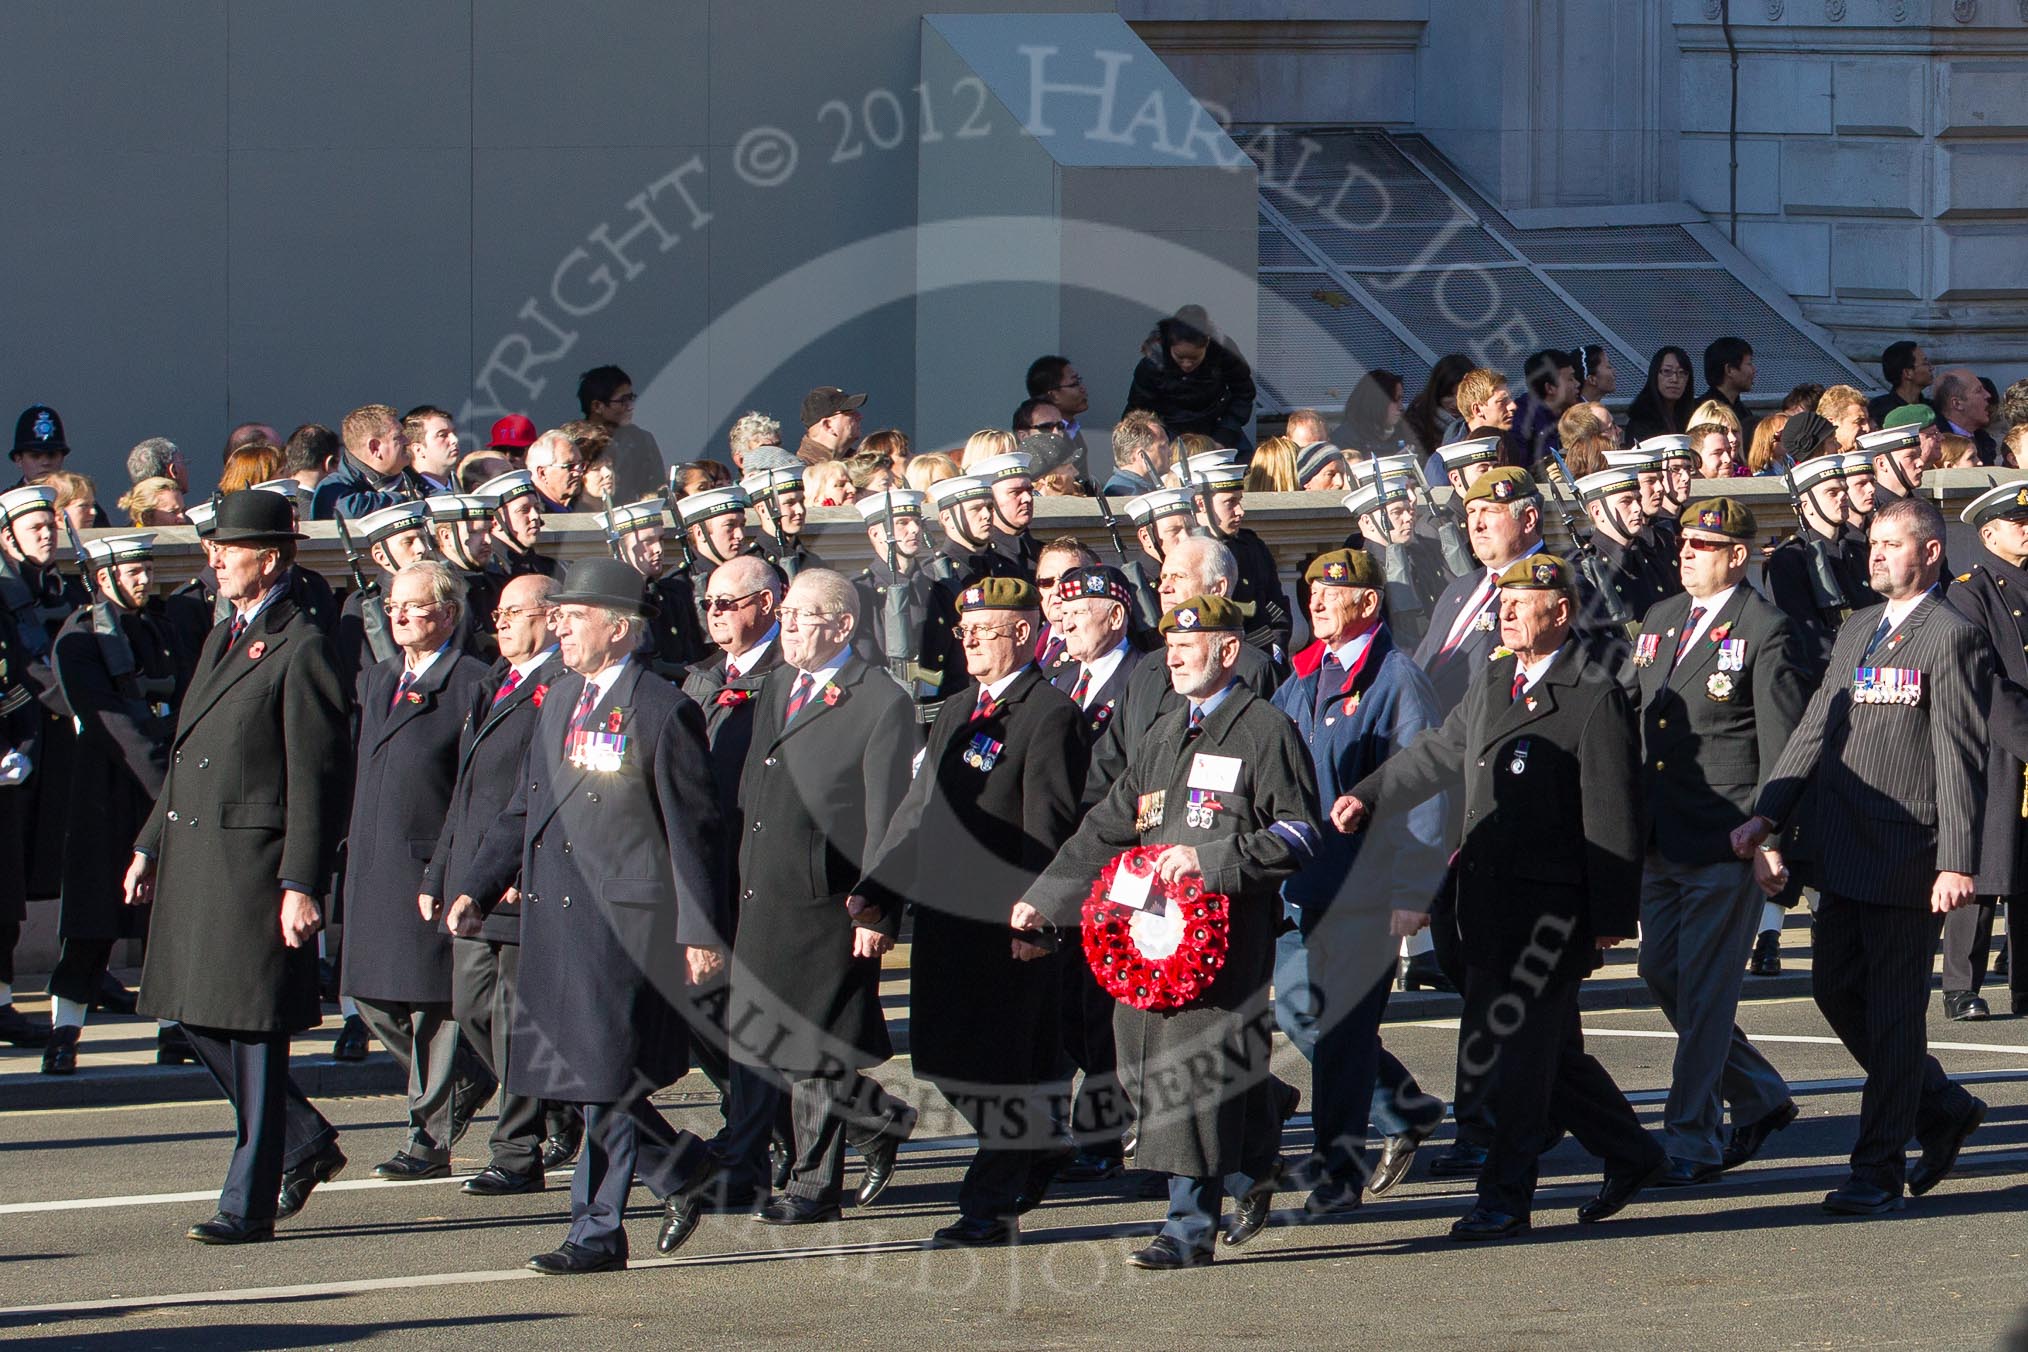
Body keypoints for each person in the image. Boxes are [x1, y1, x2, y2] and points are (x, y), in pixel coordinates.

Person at [1338, 553, 1666, 1240]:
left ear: (1561, 612)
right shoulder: (1493, 681)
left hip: (1551, 912)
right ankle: (1634, 1152)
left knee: (1517, 1060)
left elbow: (1613, 812)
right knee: (1542, 1053)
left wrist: (1609, 916)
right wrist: (1369, 796)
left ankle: (1505, 1196)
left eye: (1521, 601)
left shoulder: (1592, 695)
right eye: (1503, 602)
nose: (1505, 612)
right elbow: (1437, 751)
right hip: (1487, 903)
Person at [1015, 593, 1320, 1267]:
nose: (1174, 656)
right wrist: (1045, 897)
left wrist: (1211, 862)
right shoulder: (1162, 732)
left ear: (1229, 650)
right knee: (1140, 1069)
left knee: (1192, 1075)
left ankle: (1186, 1228)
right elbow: (1107, 826)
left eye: (1189, 644)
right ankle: (1259, 1127)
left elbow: (1300, 834)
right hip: (1148, 939)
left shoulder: (1263, 729)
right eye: (1170, 646)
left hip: (1225, 941)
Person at [447, 556, 726, 1273]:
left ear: (618, 627)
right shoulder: (559, 698)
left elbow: (690, 831)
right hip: (553, 915)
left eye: (573, 617)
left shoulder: (663, 710)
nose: (559, 628)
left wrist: (698, 928)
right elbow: (524, 807)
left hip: (621, 925)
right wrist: (476, 886)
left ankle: (596, 1232)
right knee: (579, 1076)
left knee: (600, 1075)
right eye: (558, 617)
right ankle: (682, 1174)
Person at [1734, 495, 1990, 1214]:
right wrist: (1767, 816)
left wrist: (1958, 860)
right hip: (1843, 850)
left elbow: (1959, 756)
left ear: (1930, 553)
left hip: (1911, 856)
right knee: (1835, 992)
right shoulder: (1856, 629)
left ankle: (1876, 1169)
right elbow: (1816, 726)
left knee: (1894, 1016)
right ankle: (1939, 1106)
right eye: (1873, 543)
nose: (1876, 554)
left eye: (1892, 544)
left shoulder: (1952, 635)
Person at [123, 490, 351, 1243]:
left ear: (272, 557)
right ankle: (303, 1138)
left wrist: (300, 882)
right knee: (191, 1007)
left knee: (253, 1030)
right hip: (198, 854)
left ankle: (248, 1202)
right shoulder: (227, 631)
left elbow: (315, 776)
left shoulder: (301, 642)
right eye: (213, 547)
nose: (214, 559)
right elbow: (190, 753)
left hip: (254, 864)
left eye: (230, 547)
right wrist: (150, 841)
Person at [853, 577, 1089, 1249]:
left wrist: (1042, 917)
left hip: (1006, 926)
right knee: (939, 1058)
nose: (971, 644)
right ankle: (1038, 1145)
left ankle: (987, 1206)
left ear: (1023, 633)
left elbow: (1050, 828)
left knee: (1001, 1066)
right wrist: (878, 892)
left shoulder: (1049, 714)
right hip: (946, 919)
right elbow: (917, 814)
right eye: (965, 633)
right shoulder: (956, 710)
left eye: (985, 632)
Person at [701, 569, 918, 1224]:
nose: (787, 624)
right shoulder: (777, 687)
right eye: (786, 614)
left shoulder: (880, 701)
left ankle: (813, 1184)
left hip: (833, 901)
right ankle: (874, 1121)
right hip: (763, 888)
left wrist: (880, 904)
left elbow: (893, 817)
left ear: (842, 626)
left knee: (816, 1042)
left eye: (802, 615)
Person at [1632, 499, 1808, 1183]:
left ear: (1737, 555)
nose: (1687, 555)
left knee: (1705, 991)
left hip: (1725, 836)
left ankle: (1691, 1137)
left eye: (1704, 547)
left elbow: (1782, 741)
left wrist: (1771, 833)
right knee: (1661, 973)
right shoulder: (1660, 618)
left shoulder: (1765, 628)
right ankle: (1759, 1093)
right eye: (1684, 544)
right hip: (1660, 832)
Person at [1269, 551, 1448, 1213]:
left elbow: (1426, 783)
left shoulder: (1395, 678)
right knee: (1299, 1010)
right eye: (1311, 591)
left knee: (1341, 1036)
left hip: (1364, 889)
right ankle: (1404, 1106)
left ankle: (1336, 1176)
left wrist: (1414, 888)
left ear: (1369, 603)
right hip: (1303, 886)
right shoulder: (1306, 675)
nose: (1315, 602)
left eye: (1331, 592)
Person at [340, 560, 492, 1181]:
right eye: (393, 604)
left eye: (413, 605)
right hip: (373, 864)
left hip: (429, 860)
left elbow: (471, 786)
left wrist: (456, 869)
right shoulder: (379, 679)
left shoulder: (472, 683)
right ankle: (470, 1076)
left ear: (447, 614)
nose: (398, 614)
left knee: (434, 1007)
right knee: (369, 994)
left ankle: (428, 1134)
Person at [422, 572, 573, 1196]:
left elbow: (540, 796)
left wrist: (513, 870)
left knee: (515, 1017)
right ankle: (559, 1103)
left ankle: (516, 1150)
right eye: (498, 612)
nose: (501, 622)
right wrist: (441, 871)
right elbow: (464, 794)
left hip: (517, 880)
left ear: (549, 616)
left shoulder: (561, 684)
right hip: (475, 875)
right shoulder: (494, 682)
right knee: (474, 1007)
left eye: (515, 611)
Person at [39, 533, 202, 1072]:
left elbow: (183, 698)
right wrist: (166, 782)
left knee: (166, 917)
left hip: (159, 786)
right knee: (91, 921)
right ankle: (65, 1031)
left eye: (146, 567)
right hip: (105, 792)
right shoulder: (80, 638)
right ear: (102, 577)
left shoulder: (158, 627)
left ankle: (172, 1027)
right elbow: (111, 721)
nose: (143, 577)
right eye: (131, 569)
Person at [1046, 564, 1149, 1181]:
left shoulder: (1143, 678)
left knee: (1102, 1006)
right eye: (1059, 613)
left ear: (1114, 615)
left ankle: (1101, 1135)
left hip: (1118, 865)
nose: (1064, 623)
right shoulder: (1060, 679)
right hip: (1066, 864)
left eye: (1076, 612)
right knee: (1067, 1008)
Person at [1936, 483, 2028, 1020]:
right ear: (1988, 534)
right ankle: (1960, 985)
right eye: (2019, 522)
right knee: (1983, 867)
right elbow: (1982, 678)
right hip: (1997, 746)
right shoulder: (1971, 592)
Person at [1179, 452, 1293, 665]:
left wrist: (1275, 649)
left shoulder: (1251, 547)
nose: (1240, 511)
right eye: (1230, 502)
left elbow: (1276, 608)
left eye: (1239, 500)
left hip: (1259, 658)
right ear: (1200, 504)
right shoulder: (1182, 554)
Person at [852, 489, 960, 707]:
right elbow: (864, 663)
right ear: (875, 533)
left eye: (917, 522)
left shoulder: (939, 591)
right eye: (902, 522)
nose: (915, 529)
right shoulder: (862, 593)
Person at [1123, 304, 1257, 456]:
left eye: (1194, 358)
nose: (1187, 364)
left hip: (1217, 425)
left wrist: (1225, 435)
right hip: (1170, 430)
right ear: (1169, 345)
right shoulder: (1152, 363)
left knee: (1245, 465)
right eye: (1180, 357)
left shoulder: (1224, 353)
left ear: (1207, 343)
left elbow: (1243, 393)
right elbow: (1138, 408)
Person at [1343, 476, 1448, 650]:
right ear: (1367, 522)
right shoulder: (1361, 571)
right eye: (1397, 512)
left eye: (1408, 510)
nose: (1408, 517)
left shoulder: (1418, 556)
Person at [600, 498, 704, 672]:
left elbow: (693, 653)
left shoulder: (672, 595)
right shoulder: (609, 604)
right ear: (620, 547)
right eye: (648, 541)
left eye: (660, 539)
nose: (659, 549)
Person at [1573, 466, 1676, 620]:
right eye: (1626, 502)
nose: (1637, 508)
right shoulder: (1583, 569)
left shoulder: (1651, 555)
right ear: (1597, 512)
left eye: (1638, 500)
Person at [312, 404, 424, 521]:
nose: (407, 441)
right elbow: (349, 512)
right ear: (374, 447)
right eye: (398, 437)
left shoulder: (414, 480)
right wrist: (404, 499)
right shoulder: (333, 488)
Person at [426, 494, 504, 658]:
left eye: (489, 530)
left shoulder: (495, 583)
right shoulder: (432, 589)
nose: (488, 540)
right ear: (446, 536)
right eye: (475, 532)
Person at [577, 365, 665, 498]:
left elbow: (656, 489)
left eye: (631, 398)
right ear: (597, 406)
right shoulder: (575, 444)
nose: (630, 406)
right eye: (623, 400)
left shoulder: (643, 440)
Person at [742, 461, 820, 578]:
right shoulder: (750, 564)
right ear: (762, 509)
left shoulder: (813, 561)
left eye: (801, 502)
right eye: (789, 503)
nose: (800, 510)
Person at [971, 450, 1042, 579]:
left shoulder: (1043, 553)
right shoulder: (981, 561)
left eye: (1029, 491)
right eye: (1016, 492)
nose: (1027, 498)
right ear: (990, 500)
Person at [1508, 348, 1579, 470]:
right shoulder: (1521, 421)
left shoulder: (1574, 414)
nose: (1577, 384)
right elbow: (1518, 472)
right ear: (1550, 388)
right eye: (1570, 379)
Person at [481, 469, 556, 579]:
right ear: (495, 521)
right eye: (524, 510)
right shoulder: (488, 571)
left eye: (537, 508)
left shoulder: (548, 566)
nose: (535, 516)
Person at [1403, 354, 1476, 455]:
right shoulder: (1418, 419)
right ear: (1437, 391)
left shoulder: (1482, 418)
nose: (1456, 403)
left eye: (1462, 396)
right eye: (1448, 395)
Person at [1626, 347, 1698, 445]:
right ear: (1655, 375)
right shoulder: (1640, 419)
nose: (1675, 379)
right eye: (1667, 371)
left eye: (1682, 373)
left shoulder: (1695, 416)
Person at [1027, 354, 1092, 460]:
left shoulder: (1072, 429)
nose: (1083, 388)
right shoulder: (1041, 435)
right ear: (1053, 395)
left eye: (1079, 381)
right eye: (1074, 383)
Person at [1699, 338, 1758, 447]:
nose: (1754, 370)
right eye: (1749, 364)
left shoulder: (1745, 412)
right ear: (1729, 370)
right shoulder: (1702, 411)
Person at [1934, 367, 1997, 464]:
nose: (1988, 395)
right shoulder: (1937, 444)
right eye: (1978, 391)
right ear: (1957, 404)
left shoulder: (1984, 440)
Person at [1104, 411, 1171, 497]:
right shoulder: (1127, 493)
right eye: (1162, 447)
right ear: (1142, 456)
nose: (1170, 453)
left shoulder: (1135, 488)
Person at [1869, 341, 1932, 427]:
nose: (1931, 368)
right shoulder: (1880, 409)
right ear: (1907, 373)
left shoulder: (1933, 407)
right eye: (1925, 363)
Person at [797, 387, 865, 465]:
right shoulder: (801, 472)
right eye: (850, 412)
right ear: (828, 425)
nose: (860, 416)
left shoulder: (864, 465)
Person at [403, 406, 461, 495]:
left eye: (454, 433)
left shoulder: (467, 488)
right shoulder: (405, 495)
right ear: (418, 449)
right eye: (442, 435)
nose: (455, 440)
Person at [525, 430, 585, 514]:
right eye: (570, 466)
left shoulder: (582, 507)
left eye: (581, 465)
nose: (579, 472)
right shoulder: (532, 514)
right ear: (542, 473)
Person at [1817, 385, 1873, 457]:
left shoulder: (1873, 457)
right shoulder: (1820, 465)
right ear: (1831, 422)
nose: (1867, 428)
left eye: (1867, 420)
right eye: (1858, 421)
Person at [119, 476, 186, 527]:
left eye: (184, 511)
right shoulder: (126, 544)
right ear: (147, 518)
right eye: (173, 512)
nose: (183, 519)